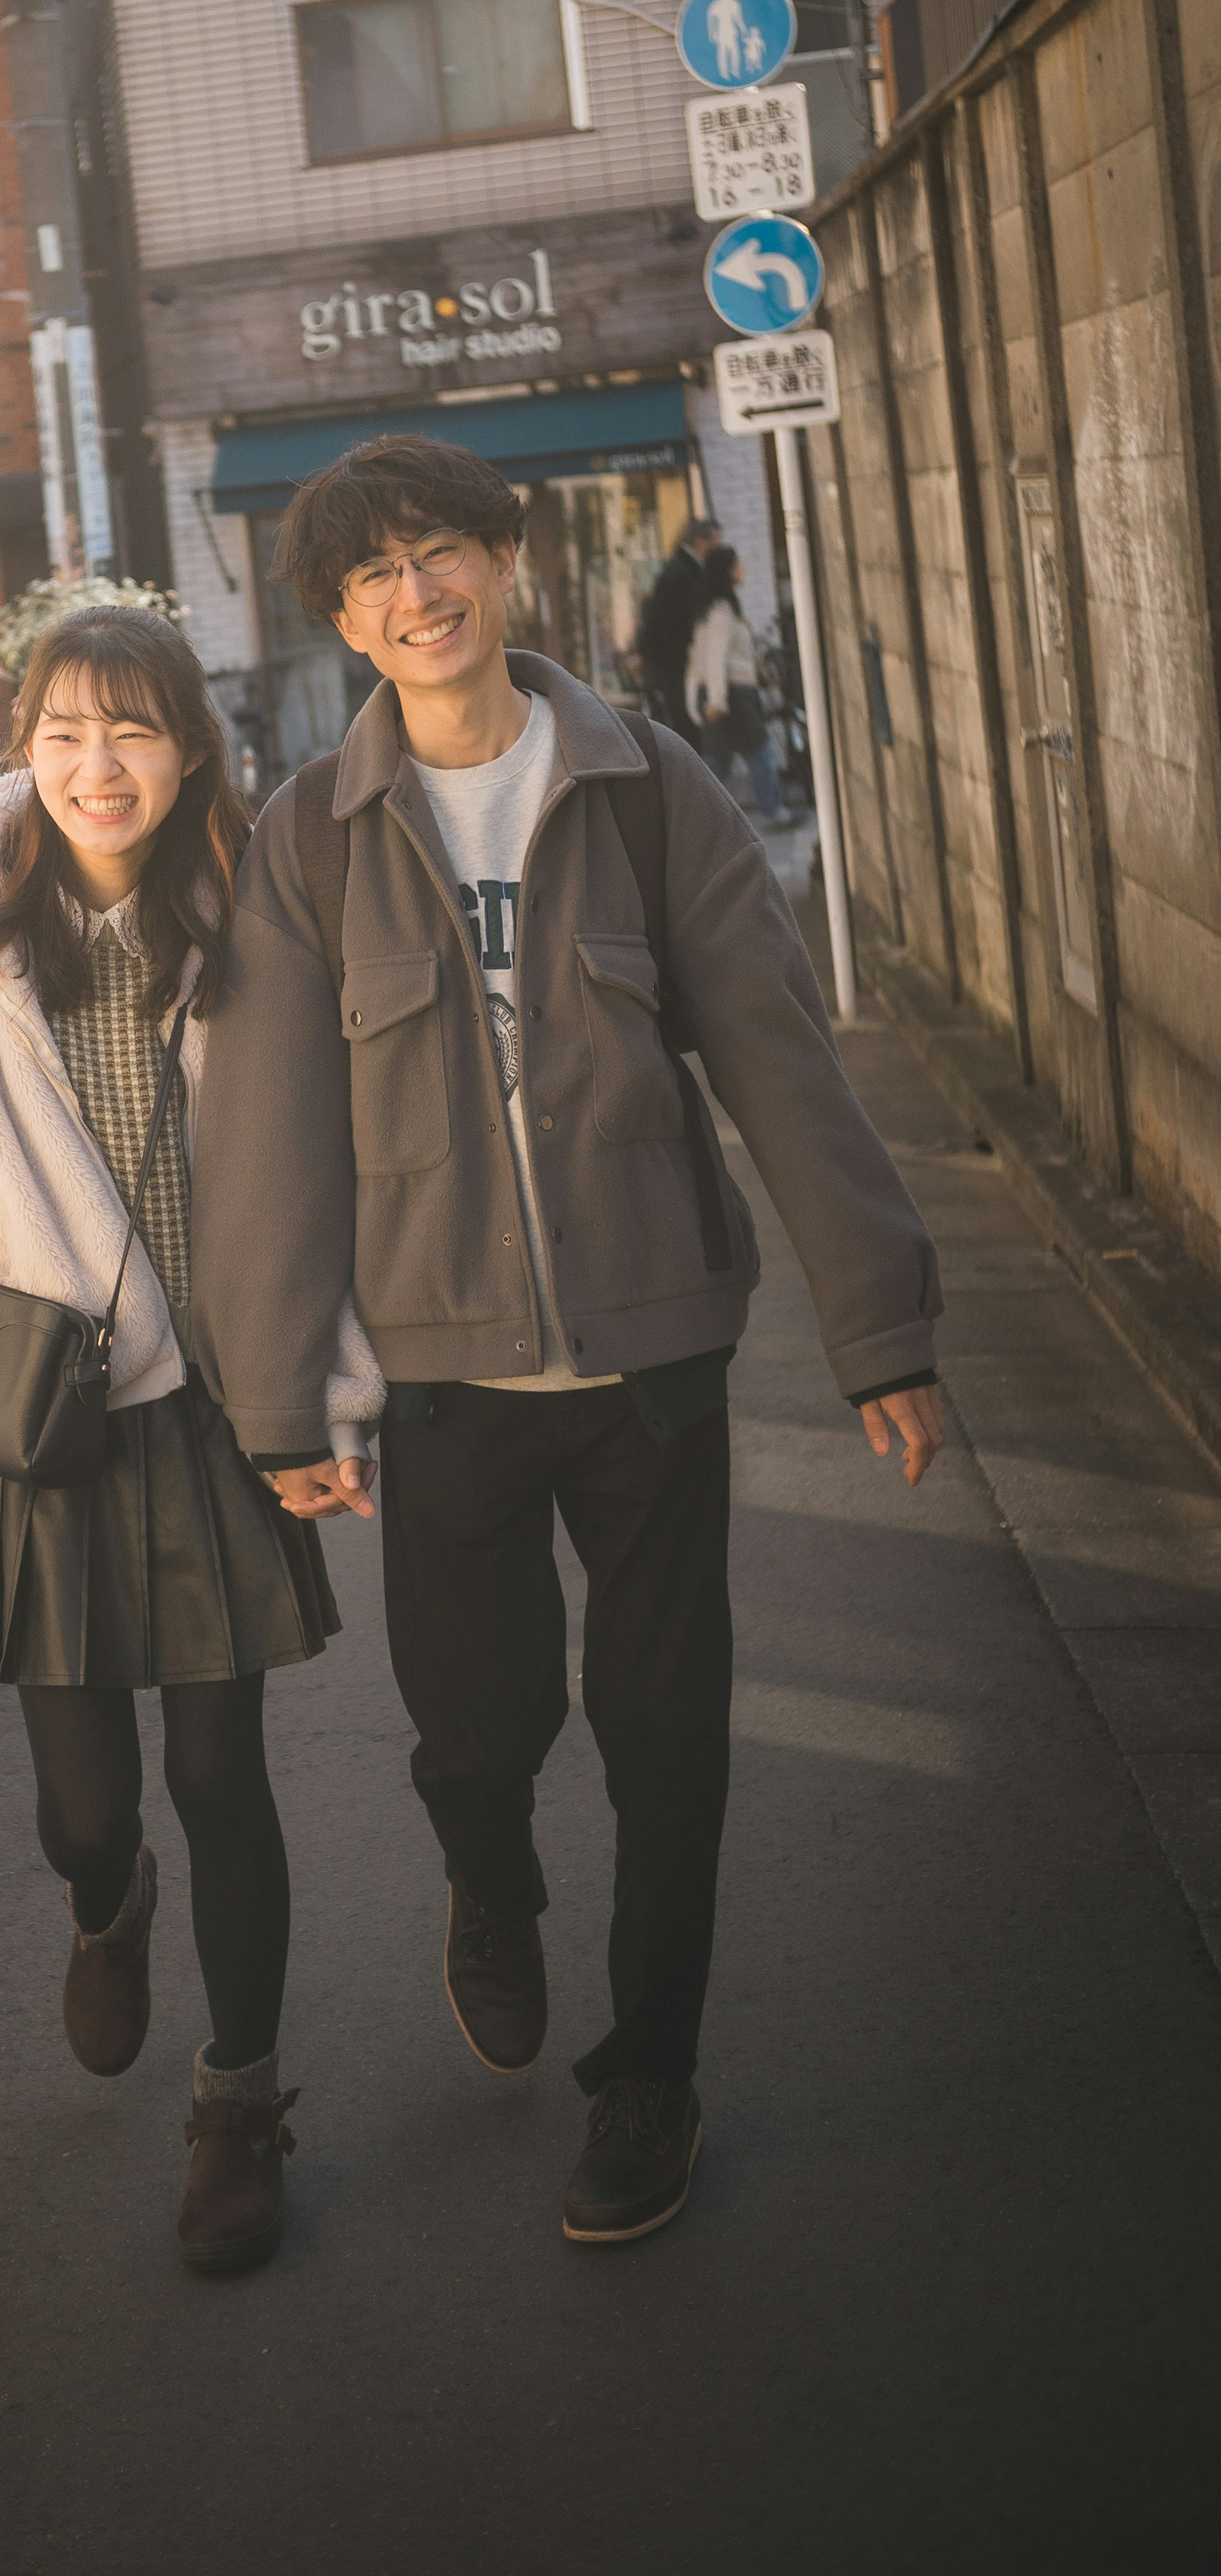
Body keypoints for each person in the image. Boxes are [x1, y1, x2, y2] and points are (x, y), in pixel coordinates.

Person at [189, 435, 945, 2247]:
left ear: (505, 560)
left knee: (664, 1723)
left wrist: (877, 1327)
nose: (412, 595)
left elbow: (774, 1053)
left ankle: (650, 2081)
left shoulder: (639, 783)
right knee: (476, 1728)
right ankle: (486, 1881)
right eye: (368, 577)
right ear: (340, 622)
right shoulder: (311, 835)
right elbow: (271, 1135)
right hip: (445, 1382)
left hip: (652, 1360)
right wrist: (277, 1393)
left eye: (437, 551)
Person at [0, 606, 380, 2278]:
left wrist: (333, 1387)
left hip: (215, 1400)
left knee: (219, 1773)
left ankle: (239, 2106)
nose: (93, 766)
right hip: (41, 1410)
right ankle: (105, 1908)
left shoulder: (263, 905)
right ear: (19, 750)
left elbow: (328, 1158)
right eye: (59, 732)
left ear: (188, 745)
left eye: (127, 731)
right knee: (86, 1804)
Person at [685, 545, 794, 822]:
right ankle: (775, 811)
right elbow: (715, 660)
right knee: (759, 750)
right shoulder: (721, 613)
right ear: (727, 572)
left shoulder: (723, 610)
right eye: (737, 565)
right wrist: (718, 701)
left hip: (733, 693)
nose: (741, 570)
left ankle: (693, 818)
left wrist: (758, 673)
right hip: (731, 697)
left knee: (718, 761)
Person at [634, 516, 722, 732]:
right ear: (701, 543)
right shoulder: (682, 573)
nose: (718, 548)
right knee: (681, 725)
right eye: (716, 542)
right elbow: (659, 619)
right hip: (673, 665)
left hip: (672, 663)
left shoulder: (684, 569)